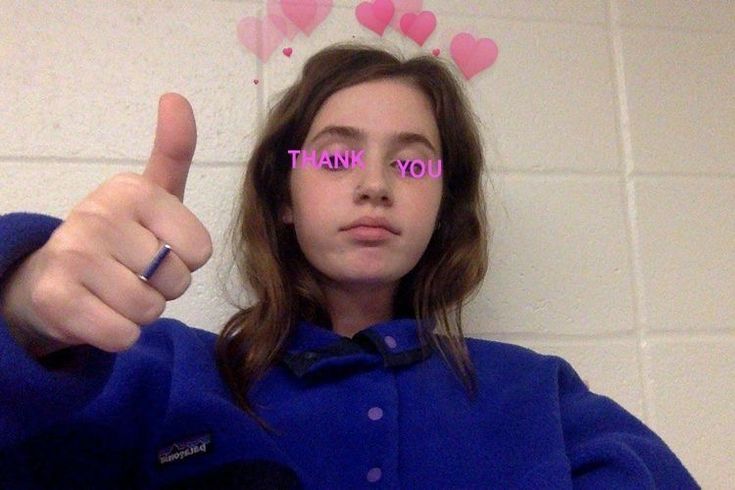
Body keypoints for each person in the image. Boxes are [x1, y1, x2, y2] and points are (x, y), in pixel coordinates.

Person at [0, 42, 699, 489]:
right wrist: (22, 317)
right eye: (335, 157)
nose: (374, 184)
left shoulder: (541, 395)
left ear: (443, 205)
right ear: (283, 197)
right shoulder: (155, 372)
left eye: (412, 164)